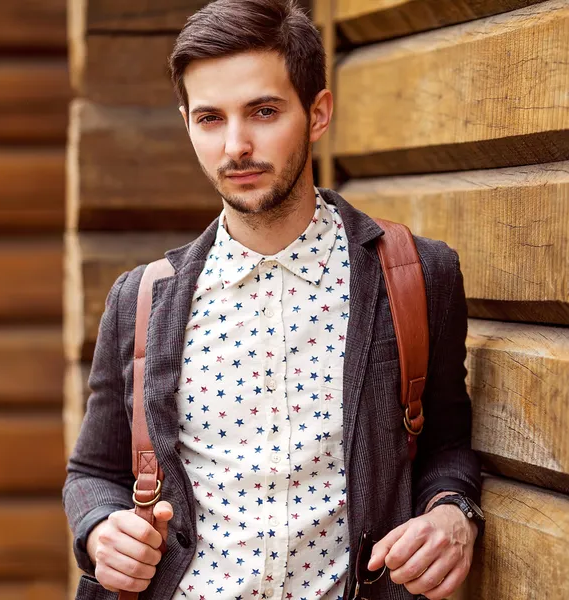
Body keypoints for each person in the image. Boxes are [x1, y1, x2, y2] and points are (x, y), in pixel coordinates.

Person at [62, 1, 484, 599]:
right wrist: (101, 529)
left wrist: (452, 513)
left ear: (318, 113)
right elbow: (93, 474)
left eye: (263, 111)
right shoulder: (142, 299)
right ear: (186, 123)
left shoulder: (416, 276)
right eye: (209, 118)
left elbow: (444, 444)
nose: (236, 145)